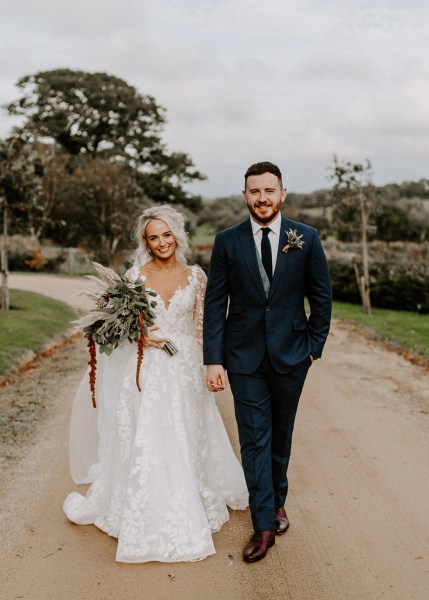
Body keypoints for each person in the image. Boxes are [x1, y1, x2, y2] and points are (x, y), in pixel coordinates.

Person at [63, 205, 248, 563]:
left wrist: (211, 365)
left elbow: (203, 326)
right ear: (145, 243)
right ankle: (145, 501)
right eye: (153, 237)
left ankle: (189, 493)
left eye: (166, 235)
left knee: (185, 430)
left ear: (177, 236)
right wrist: (141, 336)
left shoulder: (196, 276)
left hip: (186, 365)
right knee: (148, 430)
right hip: (146, 367)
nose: (162, 242)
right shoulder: (135, 275)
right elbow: (124, 325)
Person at [203, 162, 332, 563]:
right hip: (243, 358)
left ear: (282, 193)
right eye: (254, 191)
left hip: (293, 356)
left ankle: (278, 502)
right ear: (244, 195)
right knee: (254, 439)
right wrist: (214, 359)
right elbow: (214, 304)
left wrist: (313, 347)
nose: (262, 198)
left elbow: (322, 297)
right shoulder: (227, 241)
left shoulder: (306, 238)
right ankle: (263, 525)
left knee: (280, 436)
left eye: (269, 191)